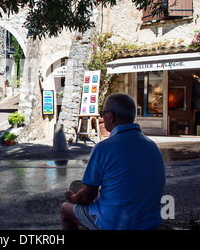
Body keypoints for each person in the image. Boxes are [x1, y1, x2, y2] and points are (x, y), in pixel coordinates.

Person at [60, 93, 166, 230]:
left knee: (65, 210)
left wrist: (72, 197)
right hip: (150, 222)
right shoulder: (152, 146)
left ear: (111, 116)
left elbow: (87, 196)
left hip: (115, 223)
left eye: (103, 114)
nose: (102, 118)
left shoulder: (104, 147)